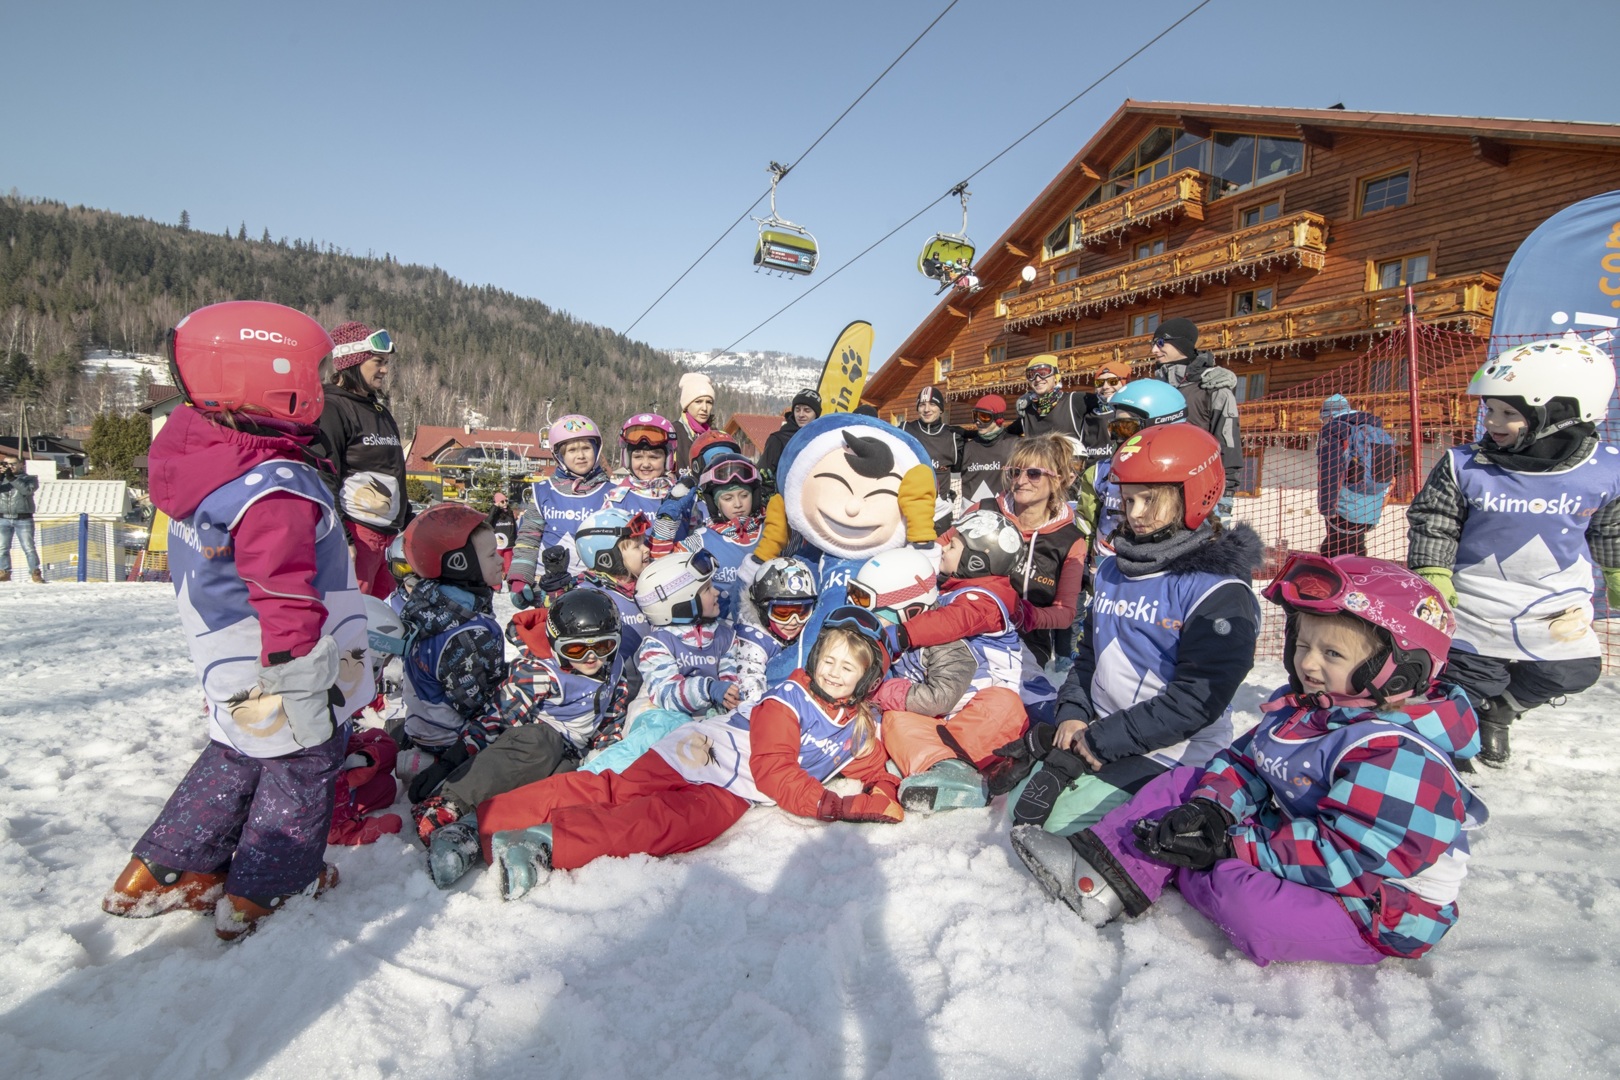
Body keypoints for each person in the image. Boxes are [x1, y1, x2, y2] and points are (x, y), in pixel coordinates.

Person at [1012, 555, 1486, 968]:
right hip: (1296, 841)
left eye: (1332, 653)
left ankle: (1180, 866)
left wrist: (1230, 845)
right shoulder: (1307, 709)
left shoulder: (1400, 754)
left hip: (1377, 905)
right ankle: (1100, 879)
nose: (1308, 664)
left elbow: (1347, 856)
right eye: (1303, 646)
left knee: (1245, 904)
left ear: (1399, 670)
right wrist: (1211, 811)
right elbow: (1244, 764)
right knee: (1184, 785)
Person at [101, 301, 369, 940]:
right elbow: (281, 586)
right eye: (313, 372)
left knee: (238, 751)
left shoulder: (210, 459)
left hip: (225, 651)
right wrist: (298, 671)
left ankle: (167, 867)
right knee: (305, 760)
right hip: (281, 655)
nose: (319, 386)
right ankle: (269, 887)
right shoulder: (275, 483)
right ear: (276, 376)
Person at [474, 608, 900, 900]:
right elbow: (775, 773)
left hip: (731, 788)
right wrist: (839, 806)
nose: (832, 673)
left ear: (867, 680)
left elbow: (875, 767)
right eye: (828, 660)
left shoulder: (856, 729)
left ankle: (545, 841)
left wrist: (884, 792)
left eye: (847, 668)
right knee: (616, 792)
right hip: (702, 755)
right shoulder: (788, 700)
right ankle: (484, 823)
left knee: (661, 825)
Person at [995, 424, 1263, 837]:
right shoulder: (1112, 569)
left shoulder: (1218, 591)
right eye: (1128, 500)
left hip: (1172, 750)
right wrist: (1073, 713)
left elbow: (1195, 701)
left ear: (1194, 495)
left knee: (1059, 827)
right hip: (1103, 731)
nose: (1134, 514)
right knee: (1022, 809)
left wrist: (1104, 740)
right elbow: (1089, 656)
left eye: (1149, 500)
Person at [1407, 338, 1620, 768]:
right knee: (1470, 679)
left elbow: (1610, 528)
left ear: (1561, 413)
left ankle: (1500, 709)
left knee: (1573, 669)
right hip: (1475, 602)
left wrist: (1616, 572)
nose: (1492, 422)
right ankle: (1456, 739)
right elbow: (1435, 519)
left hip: (1555, 605)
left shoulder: (1605, 470)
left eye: (1509, 413)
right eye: (1490, 409)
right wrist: (1433, 571)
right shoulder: (1465, 464)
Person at [416, 589, 632, 888]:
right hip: (531, 740)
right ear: (556, 644)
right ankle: (451, 802)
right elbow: (498, 717)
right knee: (542, 745)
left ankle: (479, 828)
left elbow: (612, 715)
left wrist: (603, 752)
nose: (592, 658)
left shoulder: (615, 667)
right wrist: (452, 760)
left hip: (571, 751)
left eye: (604, 646)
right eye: (575, 650)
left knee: (566, 781)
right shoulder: (541, 672)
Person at [858, 525, 1056, 812]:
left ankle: (948, 768)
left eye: (952, 546)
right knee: (895, 719)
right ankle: (944, 769)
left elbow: (954, 621)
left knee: (1003, 704)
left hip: (1015, 708)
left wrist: (901, 635)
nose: (943, 548)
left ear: (976, 561)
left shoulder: (978, 601)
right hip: (951, 718)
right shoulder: (952, 597)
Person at [392, 503, 509, 802]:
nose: (500, 560)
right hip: (449, 737)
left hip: (424, 722)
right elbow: (473, 702)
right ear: (459, 563)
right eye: (491, 555)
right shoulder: (469, 632)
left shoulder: (428, 602)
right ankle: (439, 770)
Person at [315, 321, 410, 598]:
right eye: (378, 362)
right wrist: (341, 538)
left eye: (386, 363)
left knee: (377, 618)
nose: (385, 370)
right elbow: (323, 476)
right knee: (351, 616)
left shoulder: (379, 411)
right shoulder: (332, 407)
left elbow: (394, 473)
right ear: (352, 361)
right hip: (356, 534)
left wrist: (410, 523)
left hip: (387, 537)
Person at [981, 434, 1087, 668]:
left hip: (1027, 643)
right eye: (1015, 472)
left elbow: (1065, 613)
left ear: (1058, 480)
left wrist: (1026, 616)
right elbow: (941, 553)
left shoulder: (1070, 541)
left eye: (1034, 473)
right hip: (971, 628)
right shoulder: (984, 511)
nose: (1021, 481)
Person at [1076, 379, 1187, 557]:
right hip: (1106, 565)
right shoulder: (1100, 473)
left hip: (1162, 563)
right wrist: (1082, 559)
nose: (1118, 437)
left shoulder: (1185, 474)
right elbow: (1086, 524)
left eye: (1127, 428)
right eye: (1115, 428)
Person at [1151, 318, 1242, 522]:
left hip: (1202, 489)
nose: (1154, 350)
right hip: (1159, 486)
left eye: (1160, 343)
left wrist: (1226, 494)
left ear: (1181, 344)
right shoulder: (1157, 389)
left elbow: (1228, 440)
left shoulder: (1213, 388)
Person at [509, 414, 613, 590]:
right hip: (548, 585)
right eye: (572, 450)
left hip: (594, 586)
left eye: (586, 448)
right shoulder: (543, 492)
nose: (580, 455)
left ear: (597, 450)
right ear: (559, 455)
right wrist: (520, 578)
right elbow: (528, 538)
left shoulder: (612, 493)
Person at [730, 555, 820, 705]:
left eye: (802, 611)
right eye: (783, 612)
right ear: (762, 610)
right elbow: (750, 687)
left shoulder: (803, 630)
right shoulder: (753, 641)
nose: (794, 621)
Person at [1316, 394, 1397, 558]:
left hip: (1343, 505)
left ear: (1329, 415)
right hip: (1371, 508)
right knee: (1355, 548)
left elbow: (1330, 470)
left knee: (1335, 552)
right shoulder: (1374, 428)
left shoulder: (1334, 429)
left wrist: (1327, 506)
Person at [1014, 355, 1106, 456]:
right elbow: (1005, 435)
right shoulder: (1027, 410)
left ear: (1055, 376)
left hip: (1069, 464)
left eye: (1043, 373)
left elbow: (1106, 403)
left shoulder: (1073, 400)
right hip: (1038, 465)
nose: (1038, 378)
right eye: (1031, 374)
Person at [902, 385, 963, 523]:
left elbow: (959, 470)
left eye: (932, 404)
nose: (927, 409)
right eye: (922, 405)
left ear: (941, 408)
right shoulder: (905, 430)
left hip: (940, 512)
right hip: (910, 509)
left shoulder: (953, 436)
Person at [609, 413, 679, 518]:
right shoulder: (615, 500)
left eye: (654, 457)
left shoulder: (680, 496)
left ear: (667, 460)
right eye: (638, 457)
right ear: (627, 459)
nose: (646, 464)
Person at [958, 394, 1018, 505]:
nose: (978, 421)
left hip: (1003, 509)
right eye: (975, 416)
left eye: (984, 417)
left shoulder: (1014, 445)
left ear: (998, 419)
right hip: (972, 510)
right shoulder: (967, 447)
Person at [760, 388, 822, 487]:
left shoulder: (821, 439)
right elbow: (762, 473)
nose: (801, 415)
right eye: (797, 410)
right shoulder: (778, 439)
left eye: (807, 410)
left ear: (816, 414)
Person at [0, 456, 43, 583]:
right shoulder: (2, 479)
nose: (10, 467)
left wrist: (11, 478)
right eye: (6, 464)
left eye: (13, 464)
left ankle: (35, 572)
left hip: (23, 519)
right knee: (2, 547)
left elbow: (26, 490)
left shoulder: (30, 479)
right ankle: (4, 572)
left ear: (21, 465)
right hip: (3, 518)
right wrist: (2, 476)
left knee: (28, 547)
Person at [673, 372, 720, 469]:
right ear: (687, 405)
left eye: (709, 402)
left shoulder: (716, 436)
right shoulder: (673, 432)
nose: (704, 408)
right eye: (698, 402)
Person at [486, 491, 517, 578]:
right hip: (498, 544)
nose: (505, 503)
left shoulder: (509, 512)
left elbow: (514, 527)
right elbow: (488, 521)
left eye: (506, 501)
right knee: (497, 564)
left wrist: (514, 539)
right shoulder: (495, 513)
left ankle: (508, 580)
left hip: (509, 543)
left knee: (508, 564)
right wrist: (495, 506)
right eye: (502, 501)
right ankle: (497, 582)